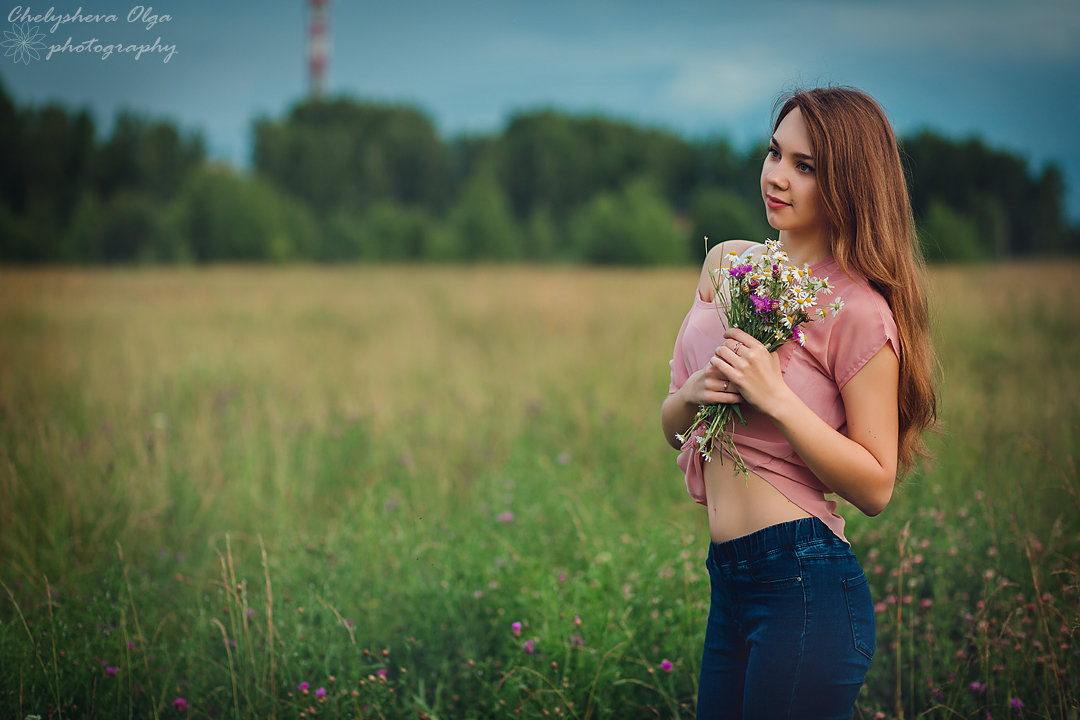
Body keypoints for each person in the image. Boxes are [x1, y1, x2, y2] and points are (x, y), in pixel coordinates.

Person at [661, 86, 937, 719]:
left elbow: (876, 485)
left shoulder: (861, 312)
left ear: (848, 185)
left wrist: (777, 399)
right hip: (728, 583)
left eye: (804, 166)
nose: (776, 176)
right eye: (774, 153)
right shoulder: (729, 264)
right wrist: (693, 397)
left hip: (803, 586)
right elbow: (671, 424)